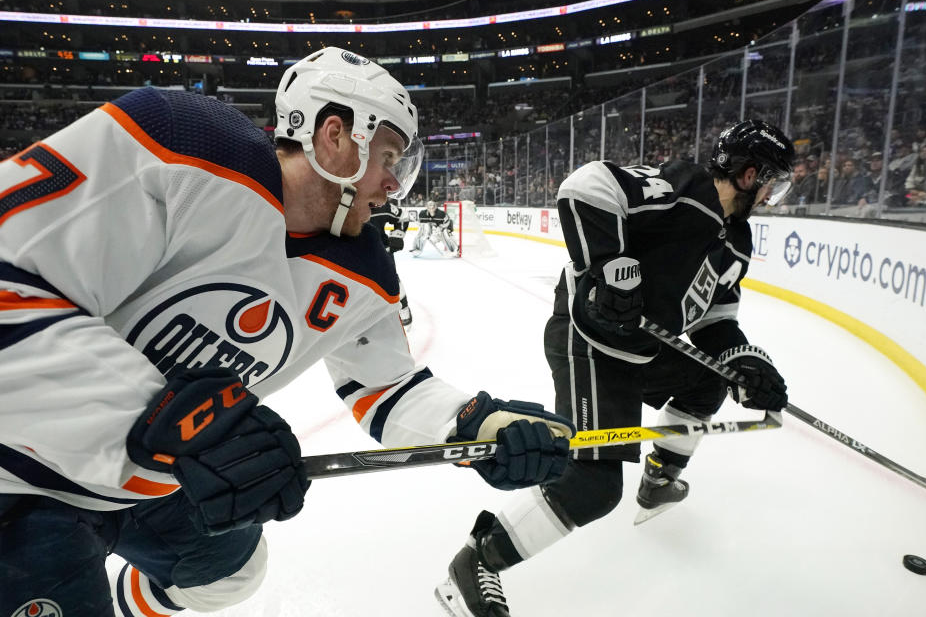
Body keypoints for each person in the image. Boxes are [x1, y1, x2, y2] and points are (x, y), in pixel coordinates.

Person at [0, 47, 574, 617]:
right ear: (336, 136)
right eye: (389, 157)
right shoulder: (183, 144)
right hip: (21, 470)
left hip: (156, 479)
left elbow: (388, 389)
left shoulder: (364, 268)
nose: (394, 185)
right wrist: (175, 420)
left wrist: (480, 425)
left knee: (232, 569)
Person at [435, 119, 794, 617]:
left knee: (708, 383)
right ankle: (475, 561)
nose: (775, 195)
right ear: (752, 175)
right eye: (775, 182)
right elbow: (586, 186)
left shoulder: (737, 240)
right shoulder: (684, 189)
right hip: (589, 338)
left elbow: (714, 318)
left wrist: (743, 362)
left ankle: (660, 479)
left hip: (643, 346)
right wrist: (607, 268)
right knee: (593, 487)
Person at [369, 197, 413, 326]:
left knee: (392, 283)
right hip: (354, 254)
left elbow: (403, 217)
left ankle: (404, 311)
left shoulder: (382, 206)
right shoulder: (344, 204)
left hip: (382, 252)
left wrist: (397, 235)